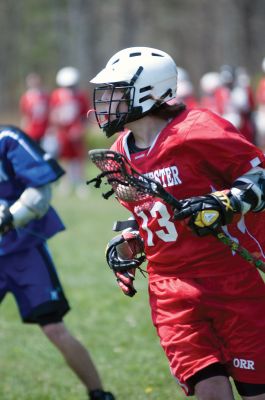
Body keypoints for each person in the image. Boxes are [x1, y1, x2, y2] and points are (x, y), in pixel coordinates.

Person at [89, 47, 265, 400]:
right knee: (208, 388)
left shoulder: (198, 129)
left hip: (228, 278)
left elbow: (259, 178)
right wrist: (131, 238)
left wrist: (225, 202)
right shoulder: (121, 152)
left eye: (115, 92)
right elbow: (152, 212)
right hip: (170, 289)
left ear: (148, 92)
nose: (106, 102)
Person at [0, 125, 115, 400]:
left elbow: (40, 191)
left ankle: (99, 394)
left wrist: (9, 218)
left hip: (23, 252)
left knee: (54, 326)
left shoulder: (7, 140)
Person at [48, 66, 90, 197]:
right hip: (63, 132)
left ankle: (80, 184)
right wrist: (55, 128)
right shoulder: (56, 95)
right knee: (65, 158)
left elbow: (86, 115)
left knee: (79, 158)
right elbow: (53, 113)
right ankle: (65, 183)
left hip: (76, 132)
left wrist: (80, 129)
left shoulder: (81, 96)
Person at [19, 72, 50, 145]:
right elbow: (25, 115)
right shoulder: (26, 97)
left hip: (44, 130)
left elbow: (49, 112)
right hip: (31, 131)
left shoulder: (45, 96)